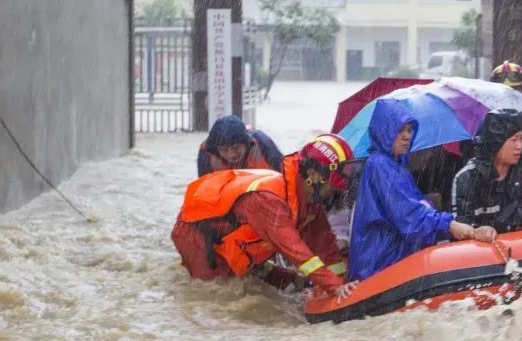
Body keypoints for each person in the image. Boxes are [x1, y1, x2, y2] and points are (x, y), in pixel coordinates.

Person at [171, 134, 360, 296]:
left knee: (288, 281)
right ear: (313, 175)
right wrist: (334, 286)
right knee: (219, 292)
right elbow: (295, 250)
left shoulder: (309, 201)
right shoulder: (268, 200)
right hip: (197, 233)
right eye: (333, 184)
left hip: (231, 234)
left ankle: (267, 273)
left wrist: (341, 280)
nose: (336, 190)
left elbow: (324, 245)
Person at [349, 99, 497, 282]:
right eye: (400, 130)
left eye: (409, 130)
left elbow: (410, 205)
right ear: (385, 131)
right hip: (380, 263)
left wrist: (431, 207)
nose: (407, 136)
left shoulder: (396, 165)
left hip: (390, 258)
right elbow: (408, 215)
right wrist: (450, 225)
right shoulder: (380, 165)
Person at [451, 109, 522, 233]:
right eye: (514, 140)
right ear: (496, 142)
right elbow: (461, 228)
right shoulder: (468, 178)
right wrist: (479, 232)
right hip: (487, 245)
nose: (519, 146)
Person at [197, 114, 284, 176]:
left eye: (236, 148)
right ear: (216, 150)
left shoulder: (262, 143)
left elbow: (285, 177)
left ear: (246, 143)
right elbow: (203, 189)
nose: (232, 154)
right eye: (224, 150)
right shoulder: (207, 153)